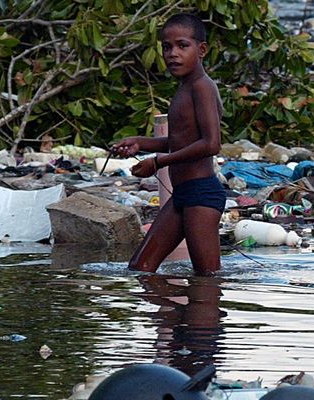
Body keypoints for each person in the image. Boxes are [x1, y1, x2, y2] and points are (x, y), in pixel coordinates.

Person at [110, 13, 224, 276]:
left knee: (207, 280)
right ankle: (174, 317)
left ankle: (194, 317)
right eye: (166, 47)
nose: (173, 53)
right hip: (182, 195)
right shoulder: (184, 87)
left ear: (202, 49)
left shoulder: (202, 87)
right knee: (140, 269)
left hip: (201, 195)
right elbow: (178, 142)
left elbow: (211, 144)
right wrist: (141, 143)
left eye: (182, 45)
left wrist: (158, 163)